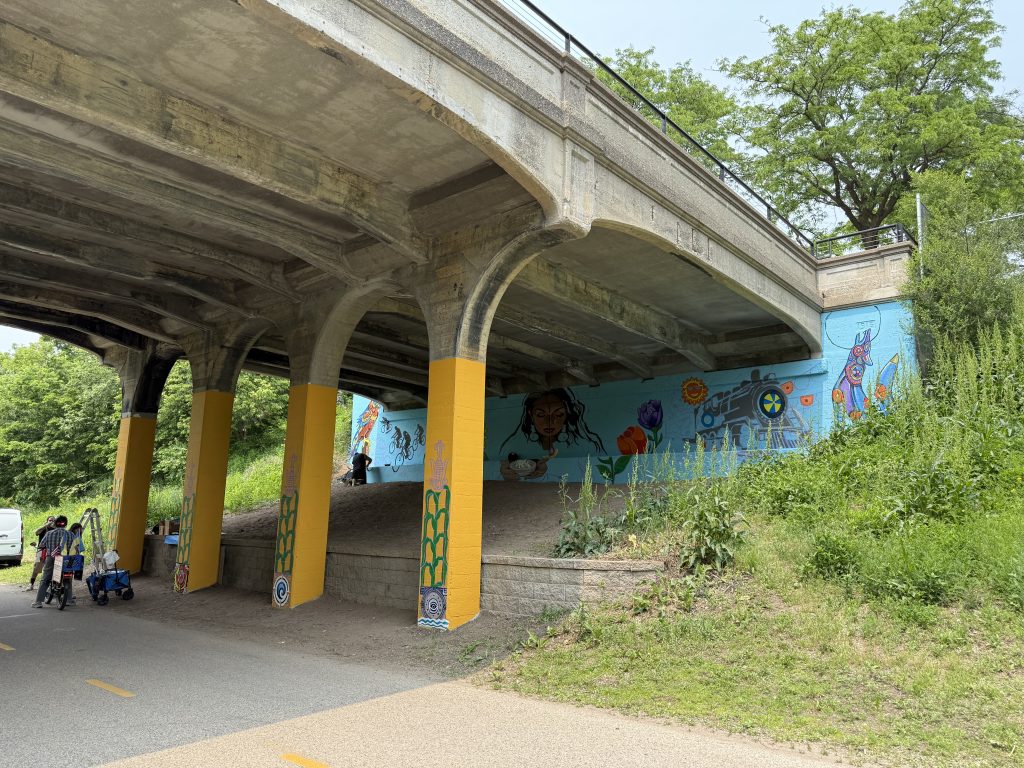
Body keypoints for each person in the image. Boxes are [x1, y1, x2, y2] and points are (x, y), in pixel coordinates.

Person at [498, 388, 606, 480]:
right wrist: (504, 472)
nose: (550, 421)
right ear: (531, 415)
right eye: (540, 414)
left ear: (567, 414)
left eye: (559, 414)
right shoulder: (513, 444)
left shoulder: (586, 443)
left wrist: (548, 469)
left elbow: (596, 475)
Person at [31, 515, 74, 608]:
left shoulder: (49, 534)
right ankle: (69, 600)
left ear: (55, 523)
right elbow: (76, 547)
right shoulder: (71, 534)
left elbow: (42, 545)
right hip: (67, 559)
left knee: (45, 579)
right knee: (68, 577)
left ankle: (38, 602)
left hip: (51, 558)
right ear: (66, 524)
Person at [26, 516, 56, 591]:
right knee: (36, 568)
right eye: (50, 520)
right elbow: (36, 532)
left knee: (53, 568)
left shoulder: (56, 530)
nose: (51, 522)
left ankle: (51, 586)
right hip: (41, 550)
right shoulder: (43, 529)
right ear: (46, 521)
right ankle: (31, 584)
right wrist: (45, 525)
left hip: (51, 551)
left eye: (53, 520)